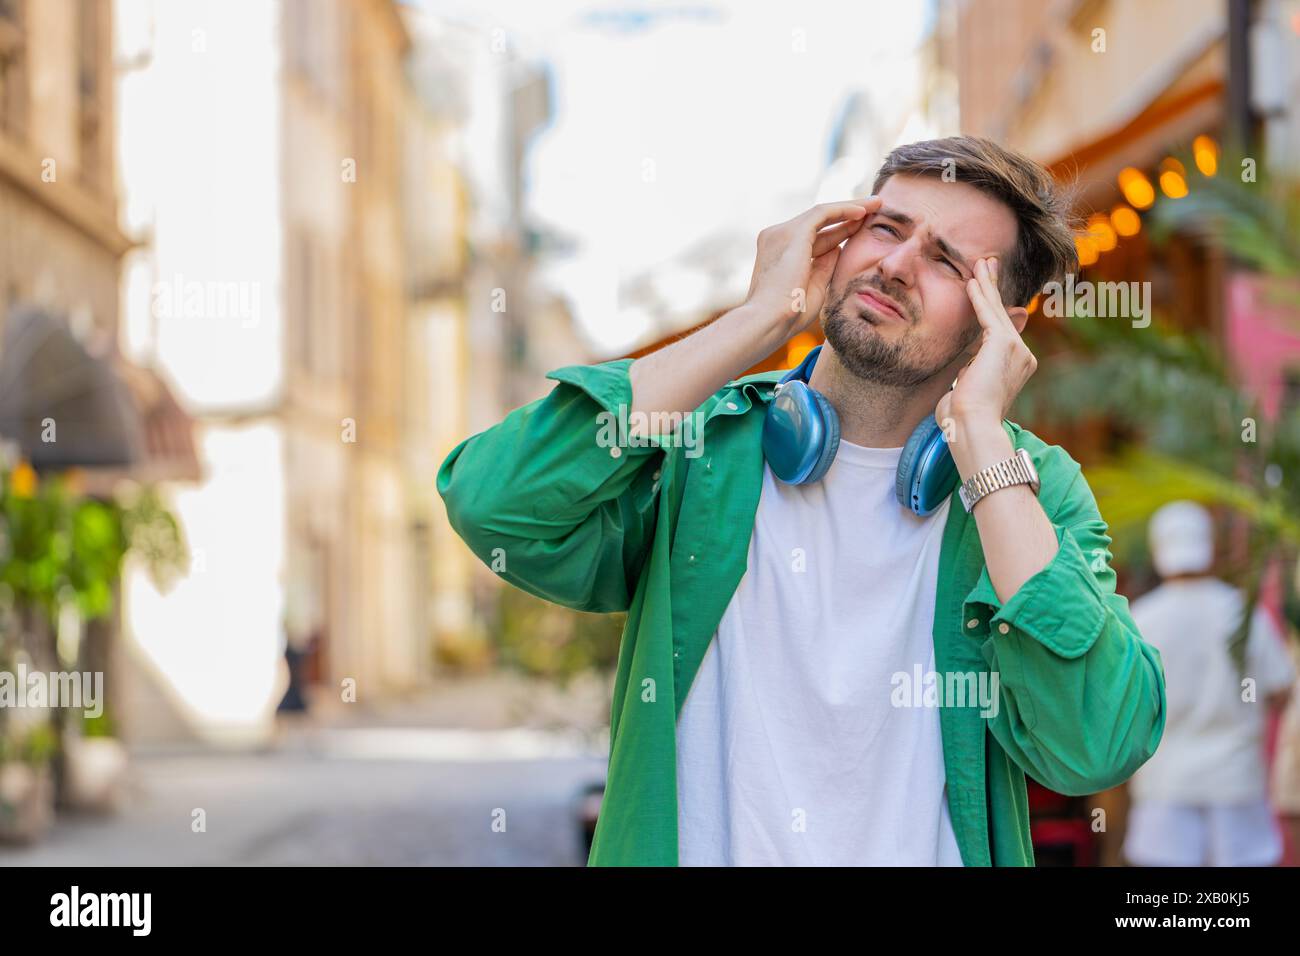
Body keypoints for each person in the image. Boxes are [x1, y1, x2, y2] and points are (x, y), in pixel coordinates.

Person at [438, 136, 1167, 866]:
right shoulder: (700, 449)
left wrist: (982, 441)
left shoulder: (1028, 487)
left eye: (946, 260)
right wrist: (759, 320)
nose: (896, 264)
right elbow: (493, 503)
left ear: (999, 322)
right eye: (886, 227)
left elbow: (1096, 746)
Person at [1123, 501, 1295, 867]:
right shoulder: (1242, 612)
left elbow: (1123, 702)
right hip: (1236, 781)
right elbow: (1281, 690)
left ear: (1158, 550)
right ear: (1211, 548)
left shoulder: (1141, 620)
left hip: (1165, 784)